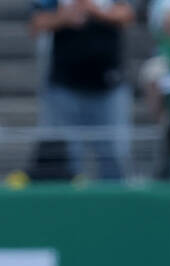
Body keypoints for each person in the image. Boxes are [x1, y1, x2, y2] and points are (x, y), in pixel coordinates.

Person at [32, 0, 135, 180]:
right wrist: (63, 18)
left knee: (115, 158)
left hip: (108, 88)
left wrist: (97, 11)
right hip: (64, 89)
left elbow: (127, 15)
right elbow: (35, 23)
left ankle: (116, 206)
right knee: (66, 161)